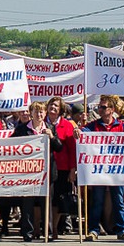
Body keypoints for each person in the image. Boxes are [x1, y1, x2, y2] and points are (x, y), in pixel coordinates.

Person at [83, 95, 124, 242]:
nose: (100, 110)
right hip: (99, 170)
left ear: (112, 109)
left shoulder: (121, 125)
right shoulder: (94, 125)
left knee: (118, 200)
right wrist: (79, 131)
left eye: (103, 107)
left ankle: (122, 229)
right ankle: (93, 230)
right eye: (99, 107)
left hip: (116, 170)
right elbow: (84, 131)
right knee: (97, 200)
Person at [11, 101, 63, 242]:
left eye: (41, 112)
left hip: (47, 172)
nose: (39, 114)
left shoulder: (50, 128)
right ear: (31, 113)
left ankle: (48, 231)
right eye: (36, 111)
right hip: (28, 172)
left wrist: (52, 137)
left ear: (45, 113)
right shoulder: (22, 129)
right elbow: (12, 145)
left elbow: (59, 147)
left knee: (46, 202)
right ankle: (27, 232)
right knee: (28, 203)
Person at [47, 96, 78, 238]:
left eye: (56, 106)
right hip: (45, 166)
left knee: (58, 199)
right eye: (51, 104)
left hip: (62, 168)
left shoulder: (67, 125)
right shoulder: (41, 123)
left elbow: (72, 149)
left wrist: (72, 169)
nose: (53, 107)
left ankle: (54, 227)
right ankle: (42, 227)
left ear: (61, 110)